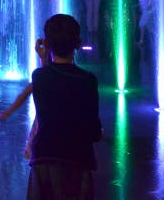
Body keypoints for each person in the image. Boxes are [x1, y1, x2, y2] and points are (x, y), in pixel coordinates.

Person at [27, 14, 102, 200]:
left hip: (43, 161)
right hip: (77, 162)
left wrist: (44, 60)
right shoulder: (88, 81)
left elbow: (49, 95)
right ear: (78, 44)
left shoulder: (39, 76)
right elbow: (93, 132)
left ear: (47, 43)